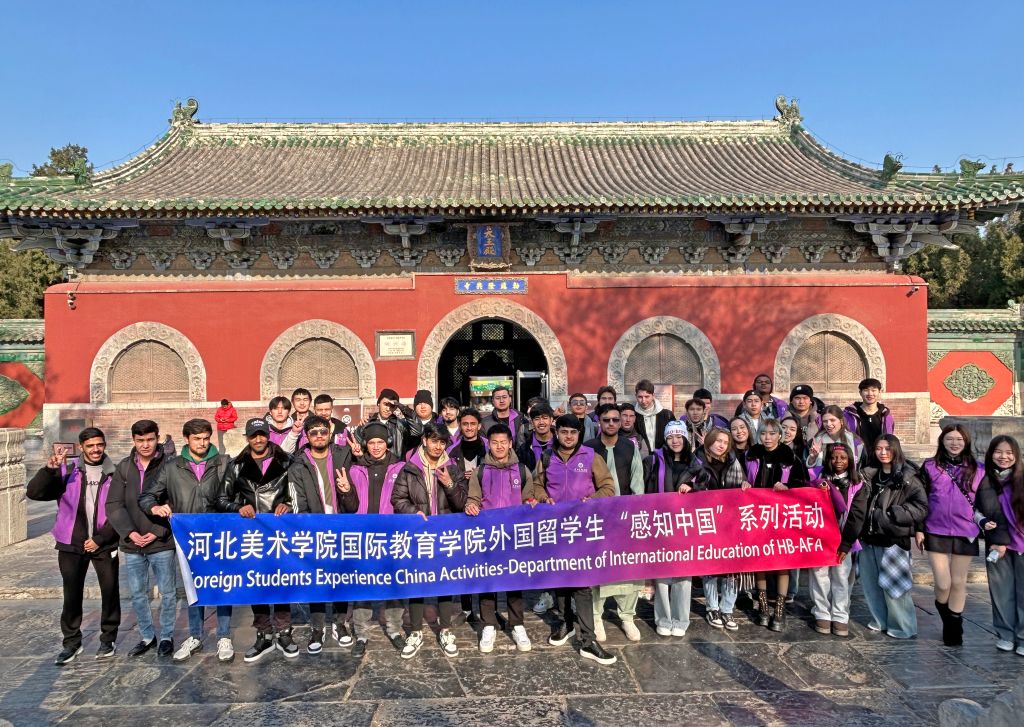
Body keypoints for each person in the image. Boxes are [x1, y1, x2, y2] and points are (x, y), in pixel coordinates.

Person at [141, 419, 234, 662]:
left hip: (219, 535)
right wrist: (155, 507)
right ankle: (195, 635)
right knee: (194, 587)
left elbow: (237, 493)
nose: (202, 443)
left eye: (206, 438)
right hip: (188, 537)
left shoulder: (223, 463)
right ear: (186, 439)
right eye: (197, 439)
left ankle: (224, 636)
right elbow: (147, 495)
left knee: (223, 585)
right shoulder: (172, 467)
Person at [529, 414, 617, 665]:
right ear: (557, 433)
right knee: (560, 579)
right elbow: (537, 485)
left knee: (582, 584)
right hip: (556, 528)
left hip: (582, 530)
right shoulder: (547, 457)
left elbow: (608, 487)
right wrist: (543, 497)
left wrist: (592, 500)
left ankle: (588, 640)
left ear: (580, 434)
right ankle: (565, 623)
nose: (568, 437)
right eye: (564, 432)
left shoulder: (591, 457)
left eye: (573, 432)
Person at [27, 428, 120, 665]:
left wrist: (101, 538)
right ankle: (71, 643)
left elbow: (120, 510)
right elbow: (35, 493)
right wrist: (49, 470)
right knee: (71, 593)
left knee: (110, 591)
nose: (96, 449)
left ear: (104, 444)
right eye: (90, 446)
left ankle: (108, 639)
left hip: (103, 542)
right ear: (81, 447)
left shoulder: (115, 473)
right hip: (71, 542)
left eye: (99, 444)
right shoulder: (67, 471)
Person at [216, 417, 296, 663]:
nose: (258, 439)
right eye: (254, 435)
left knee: (281, 582)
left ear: (268, 435)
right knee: (256, 583)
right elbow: (221, 499)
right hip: (251, 535)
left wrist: (288, 504)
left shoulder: (287, 461)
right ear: (247, 438)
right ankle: (263, 634)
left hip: (280, 533)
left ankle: (284, 632)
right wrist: (238, 507)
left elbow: (298, 494)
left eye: (262, 434)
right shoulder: (236, 465)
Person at [392, 424, 468, 658]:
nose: (438, 446)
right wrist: (412, 512)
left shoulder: (452, 467)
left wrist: (449, 484)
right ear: (424, 440)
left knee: (444, 583)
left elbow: (461, 502)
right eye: (434, 441)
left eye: (442, 442)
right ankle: (415, 631)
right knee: (417, 583)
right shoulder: (409, 468)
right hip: (419, 535)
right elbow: (398, 498)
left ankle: (445, 630)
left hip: (444, 535)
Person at [289, 415, 359, 655]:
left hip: (341, 527)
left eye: (323, 431)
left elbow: (361, 478)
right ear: (306, 436)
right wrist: (308, 529)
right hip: (314, 529)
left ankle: (340, 623)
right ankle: (317, 628)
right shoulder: (298, 464)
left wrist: (348, 490)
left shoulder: (343, 455)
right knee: (316, 580)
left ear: (329, 432)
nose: (319, 436)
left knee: (341, 579)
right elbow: (298, 502)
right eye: (314, 432)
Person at [106, 419, 175, 658]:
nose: (145, 445)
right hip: (132, 543)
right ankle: (147, 636)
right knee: (137, 594)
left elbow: (176, 500)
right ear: (133, 440)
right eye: (140, 440)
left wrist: (157, 531)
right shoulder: (124, 468)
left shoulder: (170, 465)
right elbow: (114, 504)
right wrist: (129, 532)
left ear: (157, 438)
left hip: (161, 540)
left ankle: (166, 636)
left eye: (150, 439)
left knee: (168, 592)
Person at [465, 423, 535, 653]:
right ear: (489, 444)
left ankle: (517, 624)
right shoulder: (480, 471)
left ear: (510, 443)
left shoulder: (522, 470)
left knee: (514, 582)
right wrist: (471, 505)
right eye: (494, 442)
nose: (499, 446)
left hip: (514, 536)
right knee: (488, 581)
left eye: (503, 442)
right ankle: (489, 625)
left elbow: (529, 498)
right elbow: (473, 498)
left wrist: (531, 503)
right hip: (489, 536)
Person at [918, 425, 986, 646]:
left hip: (966, 530)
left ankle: (954, 625)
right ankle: (945, 612)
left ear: (966, 442)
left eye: (959, 439)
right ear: (942, 441)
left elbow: (985, 499)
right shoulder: (930, 466)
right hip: (935, 528)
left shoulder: (978, 469)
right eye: (949, 439)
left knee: (958, 581)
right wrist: (918, 528)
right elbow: (920, 498)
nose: (954, 443)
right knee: (943, 583)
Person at [858, 435, 928, 639]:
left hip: (893, 539)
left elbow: (921, 506)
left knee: (895, 586)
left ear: (896, 449)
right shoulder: (869, 474)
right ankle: (880, 620)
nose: (883, 453)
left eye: (887, 448)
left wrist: (893, 515)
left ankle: (902, 626)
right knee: (871, 585)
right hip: (869, 538)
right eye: (878, 448)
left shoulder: (908, 476)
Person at [348, 422, 408, 657]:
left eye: (380, 442)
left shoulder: (400, 468)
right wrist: (345, 491)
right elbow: (349, 503)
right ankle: (361, 633)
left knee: (393, 584)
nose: (375, 447)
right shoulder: (356, 469)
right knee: (362, 585)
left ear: (388, 443)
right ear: (366, 444)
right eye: (371, 442)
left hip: (391, 534)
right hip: (363, 535)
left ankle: (394, 629)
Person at [585, 403, 645, 642]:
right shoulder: (589, 449)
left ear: (621, 422)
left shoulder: (629, 447)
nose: (611, 423)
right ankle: (596, 616)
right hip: (597, 518)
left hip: (625, 517)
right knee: (597, 567)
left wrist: (634, 513)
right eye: (606, 420)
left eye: (615, 420)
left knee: (628, 567)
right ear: (599, 422)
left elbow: (637, 482)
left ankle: (627, 616)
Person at [682, 427, 749, 632]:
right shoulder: (697, 460)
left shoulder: (733, 461)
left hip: (731, 521)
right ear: (709, 440)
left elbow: (742, 483)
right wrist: (690, 487)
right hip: (707, 521)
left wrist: (745, 485)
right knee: (710, 566)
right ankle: (712, 607)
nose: (722, 445)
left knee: (732, 566)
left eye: (725, 442)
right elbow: (687, 481)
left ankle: (727, 608)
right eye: (718, 441)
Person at [745, 418, 809, 630]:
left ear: (780, 435)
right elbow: (745, 479)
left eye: (772, 434)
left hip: (783, 518)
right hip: (757, 517)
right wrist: (745, 483)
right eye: (763, 433)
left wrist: (788, 487)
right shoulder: (752, 455)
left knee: (782, 562)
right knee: (760, 562)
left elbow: (803, 485)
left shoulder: (791, 458)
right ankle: (763, 606)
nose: (767, 438)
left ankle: (779, 609)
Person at [809, 443, 868, 637]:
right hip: (820, 537)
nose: (838, 461)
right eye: (834, 458)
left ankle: (840, 614)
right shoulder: (820, 479)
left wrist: (846, 543)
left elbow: (857, 516)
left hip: (844, 539)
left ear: (850, 460)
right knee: (819, 576)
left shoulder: (857, 484)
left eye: (843, 458)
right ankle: (821, 612)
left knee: (842, 577)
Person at [644, 421, 695, 636]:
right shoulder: (654, 460)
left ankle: (681, 620)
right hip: (661, 522)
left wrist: (692, 486)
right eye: (670, 437)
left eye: (679, 436)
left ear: (685, 439)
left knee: (684, 574)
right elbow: (645, 489)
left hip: (685, 525)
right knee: (663, 572)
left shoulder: (694, 462)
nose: (675, 441)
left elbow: (705, 486)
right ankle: (664, 619)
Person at [975, 436, 1024, 654]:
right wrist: (983, 523)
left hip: (1022, 544)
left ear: (1016, 455)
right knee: (1001, 592)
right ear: (990, 454)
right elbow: (975, 510)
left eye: (1009, 452)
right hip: (997, 545)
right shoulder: (983, 479)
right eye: (998, 452)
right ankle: (1005, 635)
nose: (1003, 457)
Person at [354, 388, 423, 459]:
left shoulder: (401, 425)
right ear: (378, 403)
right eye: (385, 404)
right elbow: (357, 448)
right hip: (372, 464)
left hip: (396, 464)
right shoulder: (366, 424)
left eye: (392, 406)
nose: (388, 409)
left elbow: (418, 431)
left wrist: (403, 408)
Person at [843, 378, 894, 461]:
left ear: (879, 392)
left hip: (880, 460)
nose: (870, 394)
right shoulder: (849, 414)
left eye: (874, 390)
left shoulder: (886, 416)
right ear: (860, 393)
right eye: (866, 390)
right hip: (856, 459)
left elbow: (890, 440)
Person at [807, 405, 864, 473]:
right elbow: (811, 470)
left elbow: (861, 465)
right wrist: (813, 458)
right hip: (823, 478)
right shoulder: (817, 441)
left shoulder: (855, 441)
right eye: (825, 421)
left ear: (841, 421)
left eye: (832, 420)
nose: (828, 424)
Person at [634, 379, 674, 453]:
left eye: (647, 396)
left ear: (653, 396)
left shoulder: (667, 415)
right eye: (640, 397)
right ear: (636, 396)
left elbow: (673, 438)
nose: (643, 401)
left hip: (664, 456)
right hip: (643, 457)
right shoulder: (633, 416)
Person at [517, 402, 556, 472]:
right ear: (532, 422)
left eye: (545, 418)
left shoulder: (560, 444)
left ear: (551, 420)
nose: (541, 422)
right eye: (537, 419)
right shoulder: (524, 449)